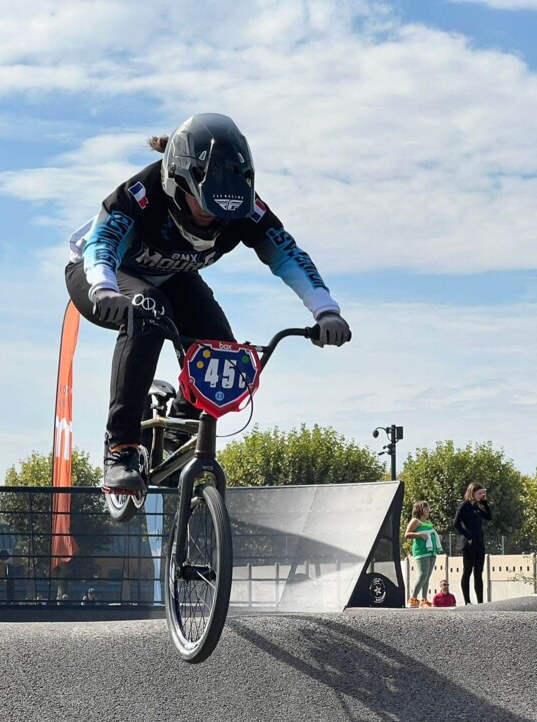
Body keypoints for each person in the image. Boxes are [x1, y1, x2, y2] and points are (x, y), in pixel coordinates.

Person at [64, 113, 352, 494]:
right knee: (149, 311)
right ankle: (120, 448)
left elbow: (287, 254)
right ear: (177, 183)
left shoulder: (245, 206)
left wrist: (325, 310)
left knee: (222, 348)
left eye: (223, 212)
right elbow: (103, 244)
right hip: (102, 272)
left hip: (172, 274)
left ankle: (178, 416)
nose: (212, 220)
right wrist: (104, 288)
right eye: (204, 207)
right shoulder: (142, 194)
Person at [454, 481, 493, 604]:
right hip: (469, 544)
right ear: (472, 493)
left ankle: (480, 601)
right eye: (480, 493)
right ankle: (467, 601)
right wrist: (468, 536)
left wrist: (485, 502)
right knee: (467, 571)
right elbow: (456, 523)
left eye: (483, 493)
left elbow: (489, 517)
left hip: (479, 543)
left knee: (478, 573)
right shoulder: (464, 506)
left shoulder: (476, 506)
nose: (481, 495)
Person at [404, 500, 442, 607]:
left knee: (427, 576)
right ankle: (413, 598)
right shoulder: (415, 521)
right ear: (419, 510)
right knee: (422, 575)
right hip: (421, 550)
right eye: (425, 508)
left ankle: (424, 600)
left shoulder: (429, 522)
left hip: (432, 551)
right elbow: (407, 535)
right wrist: (419, 535)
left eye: (428, 508)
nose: (428, 510)